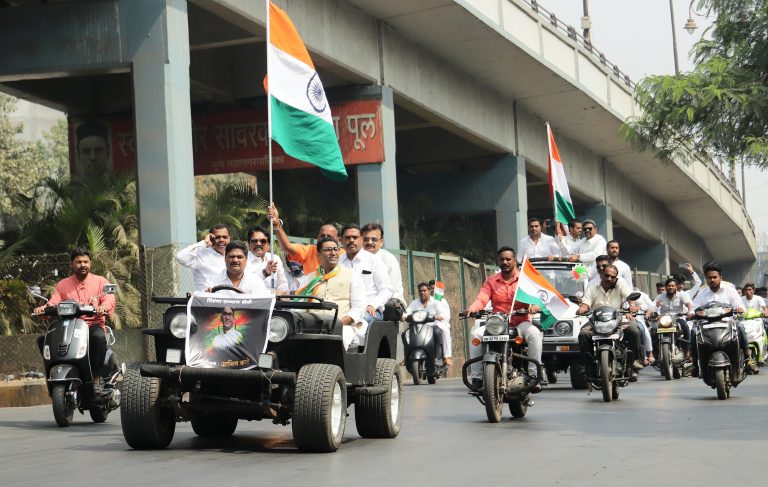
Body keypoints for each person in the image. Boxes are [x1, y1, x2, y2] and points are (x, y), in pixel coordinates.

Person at [34, 248, 115, 394]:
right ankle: (52, 375)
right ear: (72, 264)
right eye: (78, 262)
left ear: (90, 263)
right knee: (44, 340)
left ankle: (96, 378)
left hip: (92, 324)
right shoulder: (63, 284)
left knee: (98, 337)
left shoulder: (101, 281)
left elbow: (109, 299)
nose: (82, 265)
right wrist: (43, 309)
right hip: (70, 326)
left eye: (86, 262)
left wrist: (104, 307)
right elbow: (53, 302)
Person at [463, 246, 543, 392]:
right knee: (475, 334)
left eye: (508, 259)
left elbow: (535, 297)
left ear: (514, 261)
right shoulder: (491, 281)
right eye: (502, 259)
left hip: (520, 323)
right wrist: (472, 309)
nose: (505, 262)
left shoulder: (524, 280)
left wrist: (534, 306)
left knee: (535, 334)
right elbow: (482, 298)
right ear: (498, 262)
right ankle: (477, 378)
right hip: (497, 324)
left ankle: (534, 376)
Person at [298, 237, 366, 350]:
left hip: (343, 326)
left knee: (335, 342)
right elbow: (300, 305)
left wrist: (338, 324)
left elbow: (358, 308)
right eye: (328, 250)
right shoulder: (309, 279)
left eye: (336, 249)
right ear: (318, 255)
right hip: (312, 327)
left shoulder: (352, 275)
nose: (333, 253)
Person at [577, 264, 644, 373]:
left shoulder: (620, 284)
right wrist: (582, 309)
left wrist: (632, 305)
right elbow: (585, 303)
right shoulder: (592, 288)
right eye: (607, 275)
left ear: (616, 277)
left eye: (613, 277)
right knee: (583, 334)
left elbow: (629, 297)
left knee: (634, 331)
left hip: (619, 319)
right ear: (601, 275)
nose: (609, 279)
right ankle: (588, 365)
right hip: (597, 321)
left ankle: (632, 362)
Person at [690, 261, 754, 374]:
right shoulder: (702, 293)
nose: (712, 280)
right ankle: (694, 364)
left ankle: (748, 359)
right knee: (694, 331)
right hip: (706, 326)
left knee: (740, 326)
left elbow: (740, 306)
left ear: (720, 277)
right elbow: (693, 308)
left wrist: (739, 309)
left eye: (715, 277)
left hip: (727, 324)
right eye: (709, 278)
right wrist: (690, 314)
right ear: (706, 278)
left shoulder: (730, 291)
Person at [339, 223, 393, 326]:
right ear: (341, 241)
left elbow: (386, 290)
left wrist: (373, 305)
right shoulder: (338, 263)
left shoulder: (374, 260)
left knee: (360, 321)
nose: (351, 240)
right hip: (344, 309)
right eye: (347, 237)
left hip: (368, 310)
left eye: (355, 237)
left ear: (361, 239)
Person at [268, 204, 341, 275]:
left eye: (329, 237)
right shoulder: (310, 250)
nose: (325, 239)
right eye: (322, 236)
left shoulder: (343, 255)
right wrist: (276, 224)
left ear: (338, 240)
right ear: (317, 237)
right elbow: (287, 247)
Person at [361, 222, 407, 321]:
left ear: (381, 242)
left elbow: (389, 291)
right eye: (366, 239)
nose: (369, 242)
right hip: (361, 305)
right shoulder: (357, 259)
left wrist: (373, 305)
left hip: (388, 306)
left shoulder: (388, 259)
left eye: (374, 239)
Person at [176, 224, 230, 291]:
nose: (221, 240)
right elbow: (180, 257)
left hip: (227, 298)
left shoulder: (232, 256)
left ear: (229, 238)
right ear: (211, 238)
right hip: (206, 298)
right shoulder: (201, 253)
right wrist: (205, 242)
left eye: (225, 237)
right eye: (217, 237)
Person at [404, 282, 446, 365]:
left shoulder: (435, 302)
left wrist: (438, 317)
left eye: (424, 290)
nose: (422, 292)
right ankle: (407, 356)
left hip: (432, 327)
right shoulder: (414, 303)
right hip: (417, 328)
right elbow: (407, 312)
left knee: (437, 332)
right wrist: (403, 316)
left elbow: (442, 314)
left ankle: (436, 357)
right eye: (420, 291)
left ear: (429, 291)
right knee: (405, 334)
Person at [653, 278, 693, 357]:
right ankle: (655, 353)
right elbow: (652, 306)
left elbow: (688, 304)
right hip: (664, 319)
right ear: (666, 287)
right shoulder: (660, 296)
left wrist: (689, 311)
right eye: (668, 286)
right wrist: (649, 313)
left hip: (678, 318)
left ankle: (687, 350)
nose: (670, 287)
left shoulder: (682, 295)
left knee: (685, 327)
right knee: (653, 331)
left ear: (676, 287)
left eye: (672, 286)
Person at [246, 226, 289, 294]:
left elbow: (282, 283)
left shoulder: (275, 258)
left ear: (268, 245)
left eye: (262, 241)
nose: (258, 244)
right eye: (254, 241)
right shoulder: (243, 259)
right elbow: (247, 285)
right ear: (248, 244)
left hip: (275, 301)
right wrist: (265, 273)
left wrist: (284, 292)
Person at [428, 279, 453, 366]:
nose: (432, 290)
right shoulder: (425, 300)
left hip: (440, 324)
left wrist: (439, 318)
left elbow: (447, 316)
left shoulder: (442, 301)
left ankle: (446, 356)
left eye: (434, 288)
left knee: (445, 332)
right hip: (426, 323)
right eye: (430, 288)